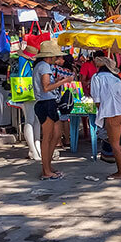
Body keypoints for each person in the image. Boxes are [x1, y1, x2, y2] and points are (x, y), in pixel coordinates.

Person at [32, 40, 70, 180]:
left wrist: (58, 81)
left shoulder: (42, 66)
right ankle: (46, 169)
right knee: (48, 137)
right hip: (46, 102)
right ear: (50, 56)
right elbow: (46, 87)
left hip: (47, 102)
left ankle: (47, 166)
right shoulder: (44, 67)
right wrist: (63, 82)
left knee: (56, 134)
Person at [91, 56, 121, 180]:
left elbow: (96, 99)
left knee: (115, 144)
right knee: (114, 141)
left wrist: (102, 112)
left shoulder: (97, 78)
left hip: (112, 111)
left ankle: (120, 172)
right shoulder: (116, 79)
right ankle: (119, 170)